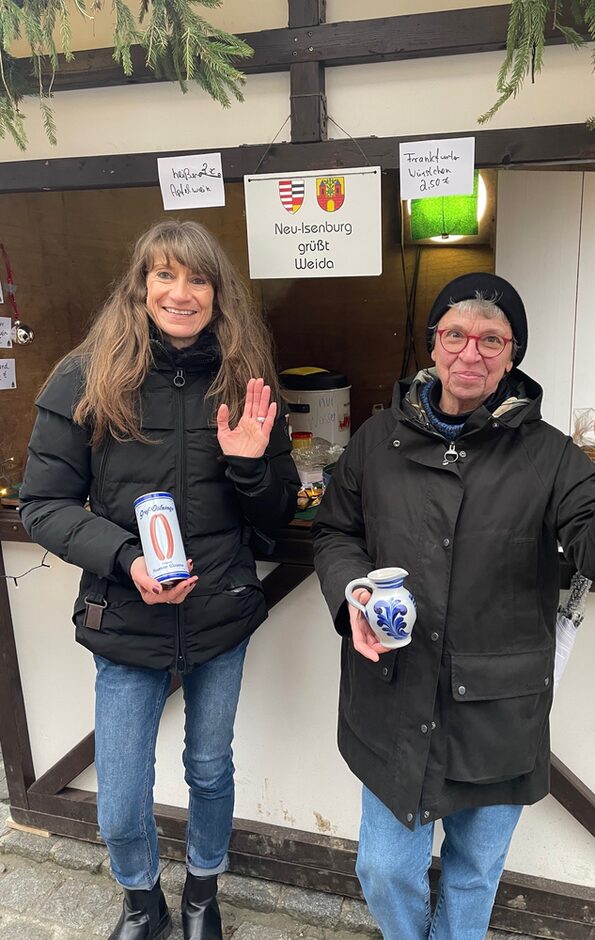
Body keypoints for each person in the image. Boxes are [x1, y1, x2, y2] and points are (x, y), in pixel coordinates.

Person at [312, 272, 595, 940]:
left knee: (472, 876)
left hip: (497, 714)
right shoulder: (375, 440)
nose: (469, 352)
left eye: (489, 338)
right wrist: (353, 592)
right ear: (432, 345)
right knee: (385, 871)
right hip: (391, 698)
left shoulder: (549, 457)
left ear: (511, 355)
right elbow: (336, 532)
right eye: (454, 333)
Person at [20, 219, 299, 940]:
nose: (181, 292)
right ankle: (142, 902)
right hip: (124, 612)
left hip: (219, 613)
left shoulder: (243, 379)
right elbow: (42, 504)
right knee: (119, 796)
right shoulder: (84, 376)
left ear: (217, 292)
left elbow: (274, 517)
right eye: (165, 275)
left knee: (209, 767)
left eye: (197, 278)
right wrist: (126, 559)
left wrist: (249, 461)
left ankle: (203, 895)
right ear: (140, 284)